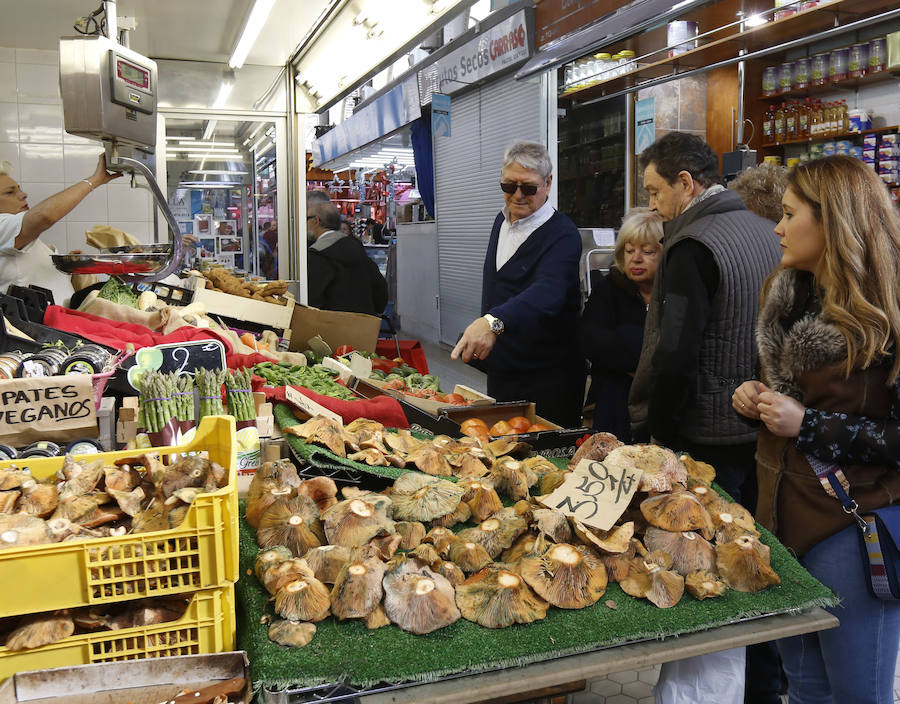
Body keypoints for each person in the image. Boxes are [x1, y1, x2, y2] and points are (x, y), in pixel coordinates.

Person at [733, 155, 900, 704]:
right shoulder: (790, 296)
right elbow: (791, 400)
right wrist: (752, 400)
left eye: (787, 214)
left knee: (857, 692)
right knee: (803, 688)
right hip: (783, 520)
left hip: (851, 530)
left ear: (831, 221)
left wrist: (809, 424)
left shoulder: (887, 315)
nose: (776, 228)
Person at [628, 132, 780, 509]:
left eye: (655, 192)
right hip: (758, 421)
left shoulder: (691, 245)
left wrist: (658, 433)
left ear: (684, 182)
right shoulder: (768, 229)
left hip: (704, 432)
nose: (651, 205)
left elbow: (675, 352)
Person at [451, 140, 584, 428]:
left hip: (548, 380)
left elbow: (549, 292)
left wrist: (492, 321)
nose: (518, 196)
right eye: (509, 186)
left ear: (548, 184)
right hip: (503, 373)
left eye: (529, 188)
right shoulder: (500, 221)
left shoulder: (563, 234)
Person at [578, 208, 662, 439]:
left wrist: (623, 340)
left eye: (647, 251)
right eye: (629, 250)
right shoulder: (609, 288)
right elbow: (591, 341)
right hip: (613, 405)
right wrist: (645, 351)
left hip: (660, 408)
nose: (636, 258)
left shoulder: (674, 293)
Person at [0, 154, 121, 306]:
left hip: (59, 322)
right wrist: (95, 180)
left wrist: (71, 271)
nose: (23, 195)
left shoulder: (17, 235)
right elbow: (45, 215)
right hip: (35, 328)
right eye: (10, 192)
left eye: (19, 189)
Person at [307, 200, 387, 316]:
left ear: (317, 221)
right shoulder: (357, 248)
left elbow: (314, 297)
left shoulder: (318, 254)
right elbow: (380, 286)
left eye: (307, 219)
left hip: (332, 326)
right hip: (362, 325)